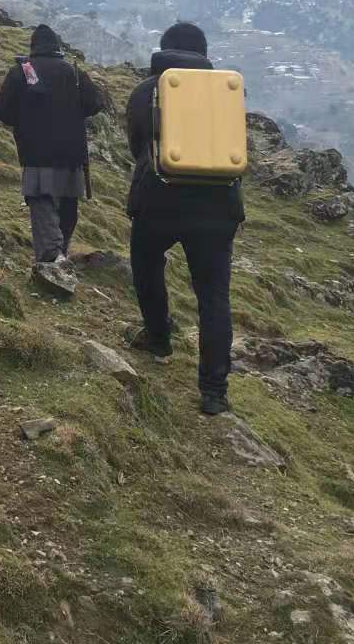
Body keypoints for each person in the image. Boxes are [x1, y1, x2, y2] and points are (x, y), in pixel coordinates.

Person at [123, 21, 245, 416]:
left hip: (158, 200)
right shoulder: (225, 93)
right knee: (213, 296)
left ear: (164, 49)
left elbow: (137, 145)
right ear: (204, 54)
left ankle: (159, 338)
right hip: (217, 207)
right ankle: (214, 391)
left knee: (147, 267)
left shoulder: (146, 90)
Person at [0, 25, 103, 264]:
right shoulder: (74, 72)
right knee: (68, 206)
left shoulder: (21, 71)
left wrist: (23, 120)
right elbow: (95, 103)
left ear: (33, 47)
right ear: (57, 47)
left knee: (42, 201)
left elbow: (2, 111)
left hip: (36, 151)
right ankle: (60, 252)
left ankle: (52, 257)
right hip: (72, 152)